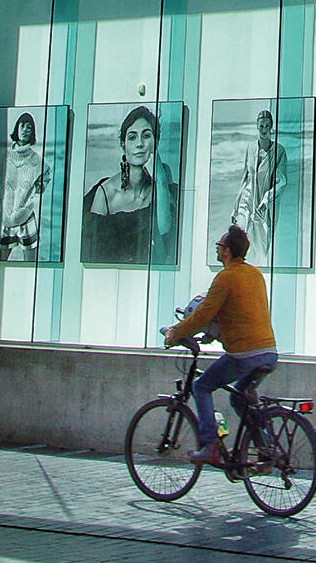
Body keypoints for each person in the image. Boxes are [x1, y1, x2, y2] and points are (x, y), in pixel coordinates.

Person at [164, 225, 277, 465]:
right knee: (239, 398)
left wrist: (175, 333)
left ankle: (210, 446)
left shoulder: (226, 277)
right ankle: (266, 450)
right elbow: (242, 314)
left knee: (201, 387)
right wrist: (216, 335)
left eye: (220, 245)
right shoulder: (255, 274)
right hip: (268, 352)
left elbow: (202, 315)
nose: (218, 248)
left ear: (227, 252)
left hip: (244, 355)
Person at [81, 106, 179, 266]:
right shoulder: (106, 193)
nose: (140, 144)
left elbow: (165, 233)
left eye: (146, 136)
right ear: (123, 145)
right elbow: (93, 253)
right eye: (132, 137)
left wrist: (160, 178)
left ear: (156, 141)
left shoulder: (164, 184)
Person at [0, 111, 51, 261]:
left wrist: (38, 188)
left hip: (27, 217)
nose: (25, 130)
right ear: (17, 129)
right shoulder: (3, 156)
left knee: (31, 263)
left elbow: (47, 174)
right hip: (6, 218)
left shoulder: (36, 159)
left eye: (29, 128)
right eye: (23, 126)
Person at [233, 110, 289, 262]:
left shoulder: (279, 151)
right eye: (261, 126)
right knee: (239, 243)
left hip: (265, 206)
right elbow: (245, 178)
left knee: (262, 249)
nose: (264, 129)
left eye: (267, 126)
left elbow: (281, 181)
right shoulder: (250, 149)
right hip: (247, 201)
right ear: (257, 127)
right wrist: (236, 205)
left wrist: (266, 199)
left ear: (271, 127)